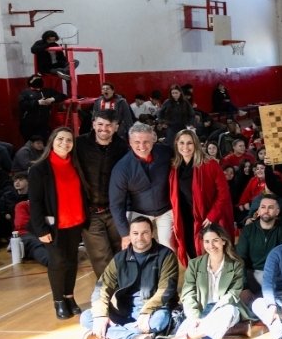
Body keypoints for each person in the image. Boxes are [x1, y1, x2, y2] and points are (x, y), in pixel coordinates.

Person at [80, 215, 179, 339]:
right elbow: (102, 287)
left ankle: (107, 333)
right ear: (130, 236)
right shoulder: (120, 258)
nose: (140, 238)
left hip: (154, 309)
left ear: (152, 234)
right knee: (86, 317)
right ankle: (135, 338)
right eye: (135, 233)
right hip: (125, 310)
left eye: (145, 233)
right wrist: (101, 315)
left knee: (159, 321)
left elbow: (166, 289)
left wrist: (147, 311)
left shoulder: (166, 255)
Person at [153, 225, 250, 339]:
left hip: (224, 307)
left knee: (227, 312)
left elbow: (233, 293)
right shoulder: (194, 264)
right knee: (192, 333)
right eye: (207, 241)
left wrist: (213, 312)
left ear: (223, 241)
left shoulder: (236, 264)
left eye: (215, 240)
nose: (211, 245)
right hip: (200, 310)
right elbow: (187, 294)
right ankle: (225, 331)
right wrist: (194, 317)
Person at [28, 127, 88, 320]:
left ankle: (69, 297)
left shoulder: (76, 164)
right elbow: (35, 202)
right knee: (57, 261)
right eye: (60, 139)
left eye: (69, 140)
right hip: (52, 226)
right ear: (52, 141)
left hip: (75, 222)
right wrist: (40, 229)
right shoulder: (39, 168)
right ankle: (58, 301)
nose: (65, 143)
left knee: (71, 261)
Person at [73, 109, 129, 277]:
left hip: (116, 211)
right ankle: (109, 297)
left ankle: (126, 292)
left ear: (116, 127)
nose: (104, 129)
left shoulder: (123, 147)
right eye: (100, 124)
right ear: (93, 124)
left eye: (109, 125)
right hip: (90, 212)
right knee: (101, 259)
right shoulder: (79, 144)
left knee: (122, 253)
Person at [167, 129, 235, 266]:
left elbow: (223, 193)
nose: (185, 147)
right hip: (185, 217)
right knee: (192, 250)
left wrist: (212, 216)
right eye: (181, 143)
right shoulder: (175, 167)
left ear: (196, 144)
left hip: (206, 218)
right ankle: (199, 280)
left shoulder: (210, 164)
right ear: (176, 144)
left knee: (210, 252)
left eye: (189, 143)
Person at [110, 122, 175, 250]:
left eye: (146, 141)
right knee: (138, 248)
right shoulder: (121, 169)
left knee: (169, 247)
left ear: (153, 140)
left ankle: (166, 269)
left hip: (165, 209)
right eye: (137, 142)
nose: (142, 146)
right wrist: (124, 234)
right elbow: (116, 204)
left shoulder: (166, 153)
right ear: (130, 142)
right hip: (138, 211)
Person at [236, 194, 282, 307]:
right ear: (258, 211)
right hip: (253, 274)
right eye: (263, 207)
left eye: (270, 207)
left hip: (275, 275)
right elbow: (240, 260)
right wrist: (244, 287)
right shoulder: (248, 230)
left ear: (277, 212)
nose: (266, 210)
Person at [18, 74, 66, 142]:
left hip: (43, 124)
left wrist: (52, 99)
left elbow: (62, 96)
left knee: (43, 142)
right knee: (30, 142)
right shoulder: (25, 92)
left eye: (39, 78)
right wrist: (38, 102)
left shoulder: (47, 91)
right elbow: (22, 105)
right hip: (28, 124)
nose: (38, 80)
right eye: (35, 79)